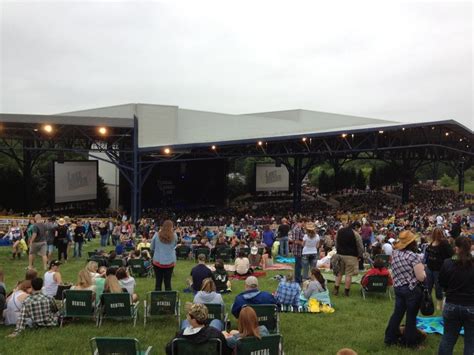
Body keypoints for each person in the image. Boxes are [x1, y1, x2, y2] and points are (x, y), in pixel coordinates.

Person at [384, 230, 426, 348]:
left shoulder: (395, 254)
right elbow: (421, 277)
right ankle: (410, 342)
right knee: (411, 317)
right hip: (412, 289)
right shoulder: (412, 256)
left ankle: (390, 338)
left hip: (398, 288)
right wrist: (424, 273)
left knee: (397, 314)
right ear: (412, 243)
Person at [438, 236, 474, 355]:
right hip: (468, 306)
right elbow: (442, 282)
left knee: (448, 339)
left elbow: (442, 282)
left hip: (452, 305)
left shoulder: (448, 263)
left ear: (456, 248)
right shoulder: (449, 262)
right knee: (470, 343)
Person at [165, 303, 232, 355]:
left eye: (188, 315)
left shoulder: (180, 336)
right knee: (216, 321)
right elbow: (225, 352)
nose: (187, 317)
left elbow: (169, 350)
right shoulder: (216, 334)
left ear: (193, 319)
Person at [424, 227, 453, 310]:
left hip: (439, 269)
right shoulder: (432, 242)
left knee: (438, 287)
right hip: (429, 268)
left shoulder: (444, 243)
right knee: (428, 286)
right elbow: (428, 254)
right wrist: (425, 264)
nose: (437, 235)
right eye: (435, 233)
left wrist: (446, 264)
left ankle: (438, 303)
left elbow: (451, 254)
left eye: (438, 233)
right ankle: (427, 302)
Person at [334, 222, 364, 296]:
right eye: (358, 228)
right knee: (348, 274)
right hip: (351, 256)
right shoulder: (356, 234)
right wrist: (360, 256)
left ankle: (336, 290)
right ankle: (346, 292)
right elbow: (360, 247)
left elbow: (336, 242)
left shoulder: (340, 231)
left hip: (340, 254)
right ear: (356, 227)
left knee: (339, 273)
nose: (359, 230)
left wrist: (338, 250)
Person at [151, 220, 178, 291]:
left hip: (157, 261)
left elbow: (151, 247)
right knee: (168, 282)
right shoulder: (174, 236)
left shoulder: (156, 235)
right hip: (170, 262)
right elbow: (175, 245)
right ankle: (169, 300)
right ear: (171, 227)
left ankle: (157, 300)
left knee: (158, 282)